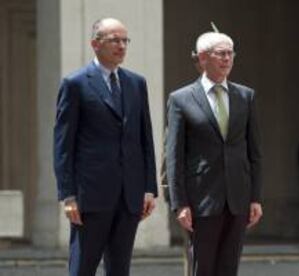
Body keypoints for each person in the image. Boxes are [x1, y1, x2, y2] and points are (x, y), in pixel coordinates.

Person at [53, 17, 157, 276]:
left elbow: (145, 138)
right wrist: (68, 195)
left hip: (129, 196)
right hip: (90, 196)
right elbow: (63, 145)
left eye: (125, 40)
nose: (121, 46)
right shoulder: (75, 84)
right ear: (95, 44)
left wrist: (148, 188)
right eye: (114, 40)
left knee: (120, 269)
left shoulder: (136, 83)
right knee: (82, 268)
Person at [166, 31, 263, 276]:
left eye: (231, 53)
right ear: (202, 58)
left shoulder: (245, 96)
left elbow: (254, 152)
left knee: (229, 268)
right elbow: (174, 156)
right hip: (201, 201)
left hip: (238, 199)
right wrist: (179, 203)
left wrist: (255, 198)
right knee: (202, 268)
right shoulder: (181, 99)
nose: (227, 59)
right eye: (221, 53)